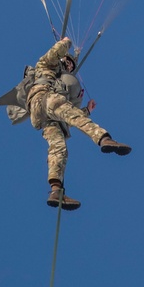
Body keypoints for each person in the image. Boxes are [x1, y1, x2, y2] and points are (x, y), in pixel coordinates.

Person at [28, 38, 130, 210]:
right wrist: (65, 43)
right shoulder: (45, 67)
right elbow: (52, 54)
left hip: (44, 116)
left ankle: (56, 190)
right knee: (74, 116)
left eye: (71, 67)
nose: (69, 67)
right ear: (62, 59)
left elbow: (69, 115)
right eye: (67, 63)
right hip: (45, 99)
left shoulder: (60, 84)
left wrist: (87, 111)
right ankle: (104, 139)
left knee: (58, 148)